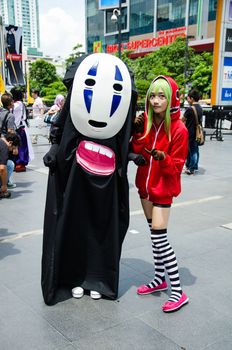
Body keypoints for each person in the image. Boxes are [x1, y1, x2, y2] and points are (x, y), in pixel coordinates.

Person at [41, 53, 137, 305]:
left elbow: (125, 139)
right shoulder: (74, 105)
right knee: (75, 224)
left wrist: (132, 156)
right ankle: (73, 278)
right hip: (75, 174)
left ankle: (98, 279)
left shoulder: (122, 112)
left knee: (101, 228)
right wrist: (54, 149)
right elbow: (59, 128)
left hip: (107, 178)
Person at [131, 76, 189, 313]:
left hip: (163, 191)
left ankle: (177, 291)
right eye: (152, 95)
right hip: (144, 189)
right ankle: (159, 279)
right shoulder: (146, 122)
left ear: (171, 98)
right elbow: (137, 152)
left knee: (160, 239)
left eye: (161, 96)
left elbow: (177, 167)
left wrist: (163, 159)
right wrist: (135, 134)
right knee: (154, 236)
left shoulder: (179, 129)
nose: (155, 101)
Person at [11, 88, 34, 172]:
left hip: (18, 127)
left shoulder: (17, 105)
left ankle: (20, 163)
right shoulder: (19, 104)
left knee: (20, 146)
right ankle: (18, 163)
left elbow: (15, 118)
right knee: (20, 145)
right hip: (20, 126)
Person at [182, 89, 203, 175]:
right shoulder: (200, 108)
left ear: (192, 98)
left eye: (188, 98)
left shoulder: (190, 109)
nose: (187, 100)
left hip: (190, 133)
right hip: (197, 133)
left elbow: (183, 120)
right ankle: (193, 166)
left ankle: (191, 168)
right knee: (195, 149)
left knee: (192, 150)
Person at [0, 133, 20, 199]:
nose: (12, 150)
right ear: (10, 142)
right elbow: (2, 169)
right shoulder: (4, 147)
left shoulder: (1, 141)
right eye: (14, 147)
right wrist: (4, 185)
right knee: (9, 164)